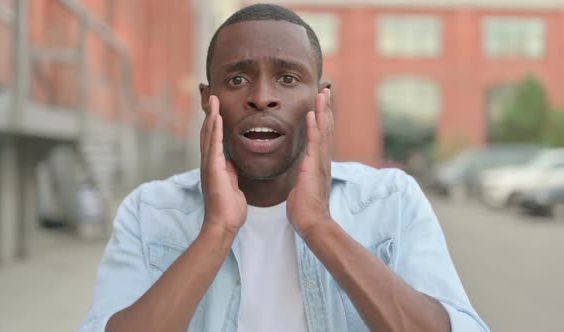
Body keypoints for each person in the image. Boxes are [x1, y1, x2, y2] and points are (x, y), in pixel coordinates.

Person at [80, 4, 488, 332]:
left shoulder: (390, 200)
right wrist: (217, 231)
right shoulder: (149, 210)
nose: (261, 97)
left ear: (321, 99)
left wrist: (319, 226)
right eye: (237, 79)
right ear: (208, 100)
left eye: (288, 78)